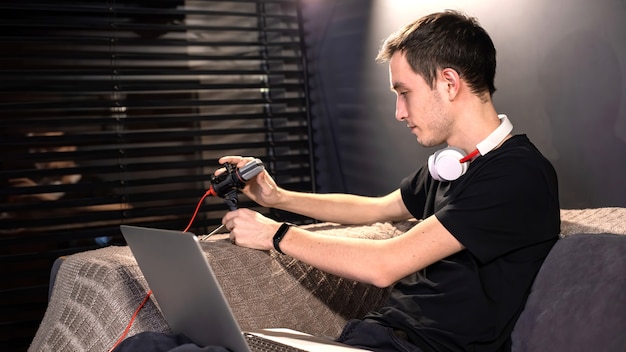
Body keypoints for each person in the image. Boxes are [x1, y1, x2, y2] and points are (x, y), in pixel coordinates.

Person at [114, 10, 559, 352]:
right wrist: (276, 196)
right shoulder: (454, 165)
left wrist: (276, 234)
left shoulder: (517, 174)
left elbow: (386, 263)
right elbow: (376, 208)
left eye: (403, 93)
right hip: (371, 339)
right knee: (147, 344)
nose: (399, 113)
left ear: (448, 82)